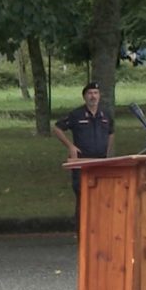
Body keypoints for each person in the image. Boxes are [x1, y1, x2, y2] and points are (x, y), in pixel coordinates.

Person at [52, 82, 113, 226]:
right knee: (83, 197)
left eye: (96, 93)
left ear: (100, 96)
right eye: (90, 93)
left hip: (101, 162)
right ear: (85, 96)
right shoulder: (76, 114)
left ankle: (97, 228)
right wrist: (70, 146)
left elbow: (111, 132)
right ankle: (82, 230)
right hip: (82, 163)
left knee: (101, 197)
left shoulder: (105, 115)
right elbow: (57, 128)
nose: (93, 96)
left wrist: (108, 152)